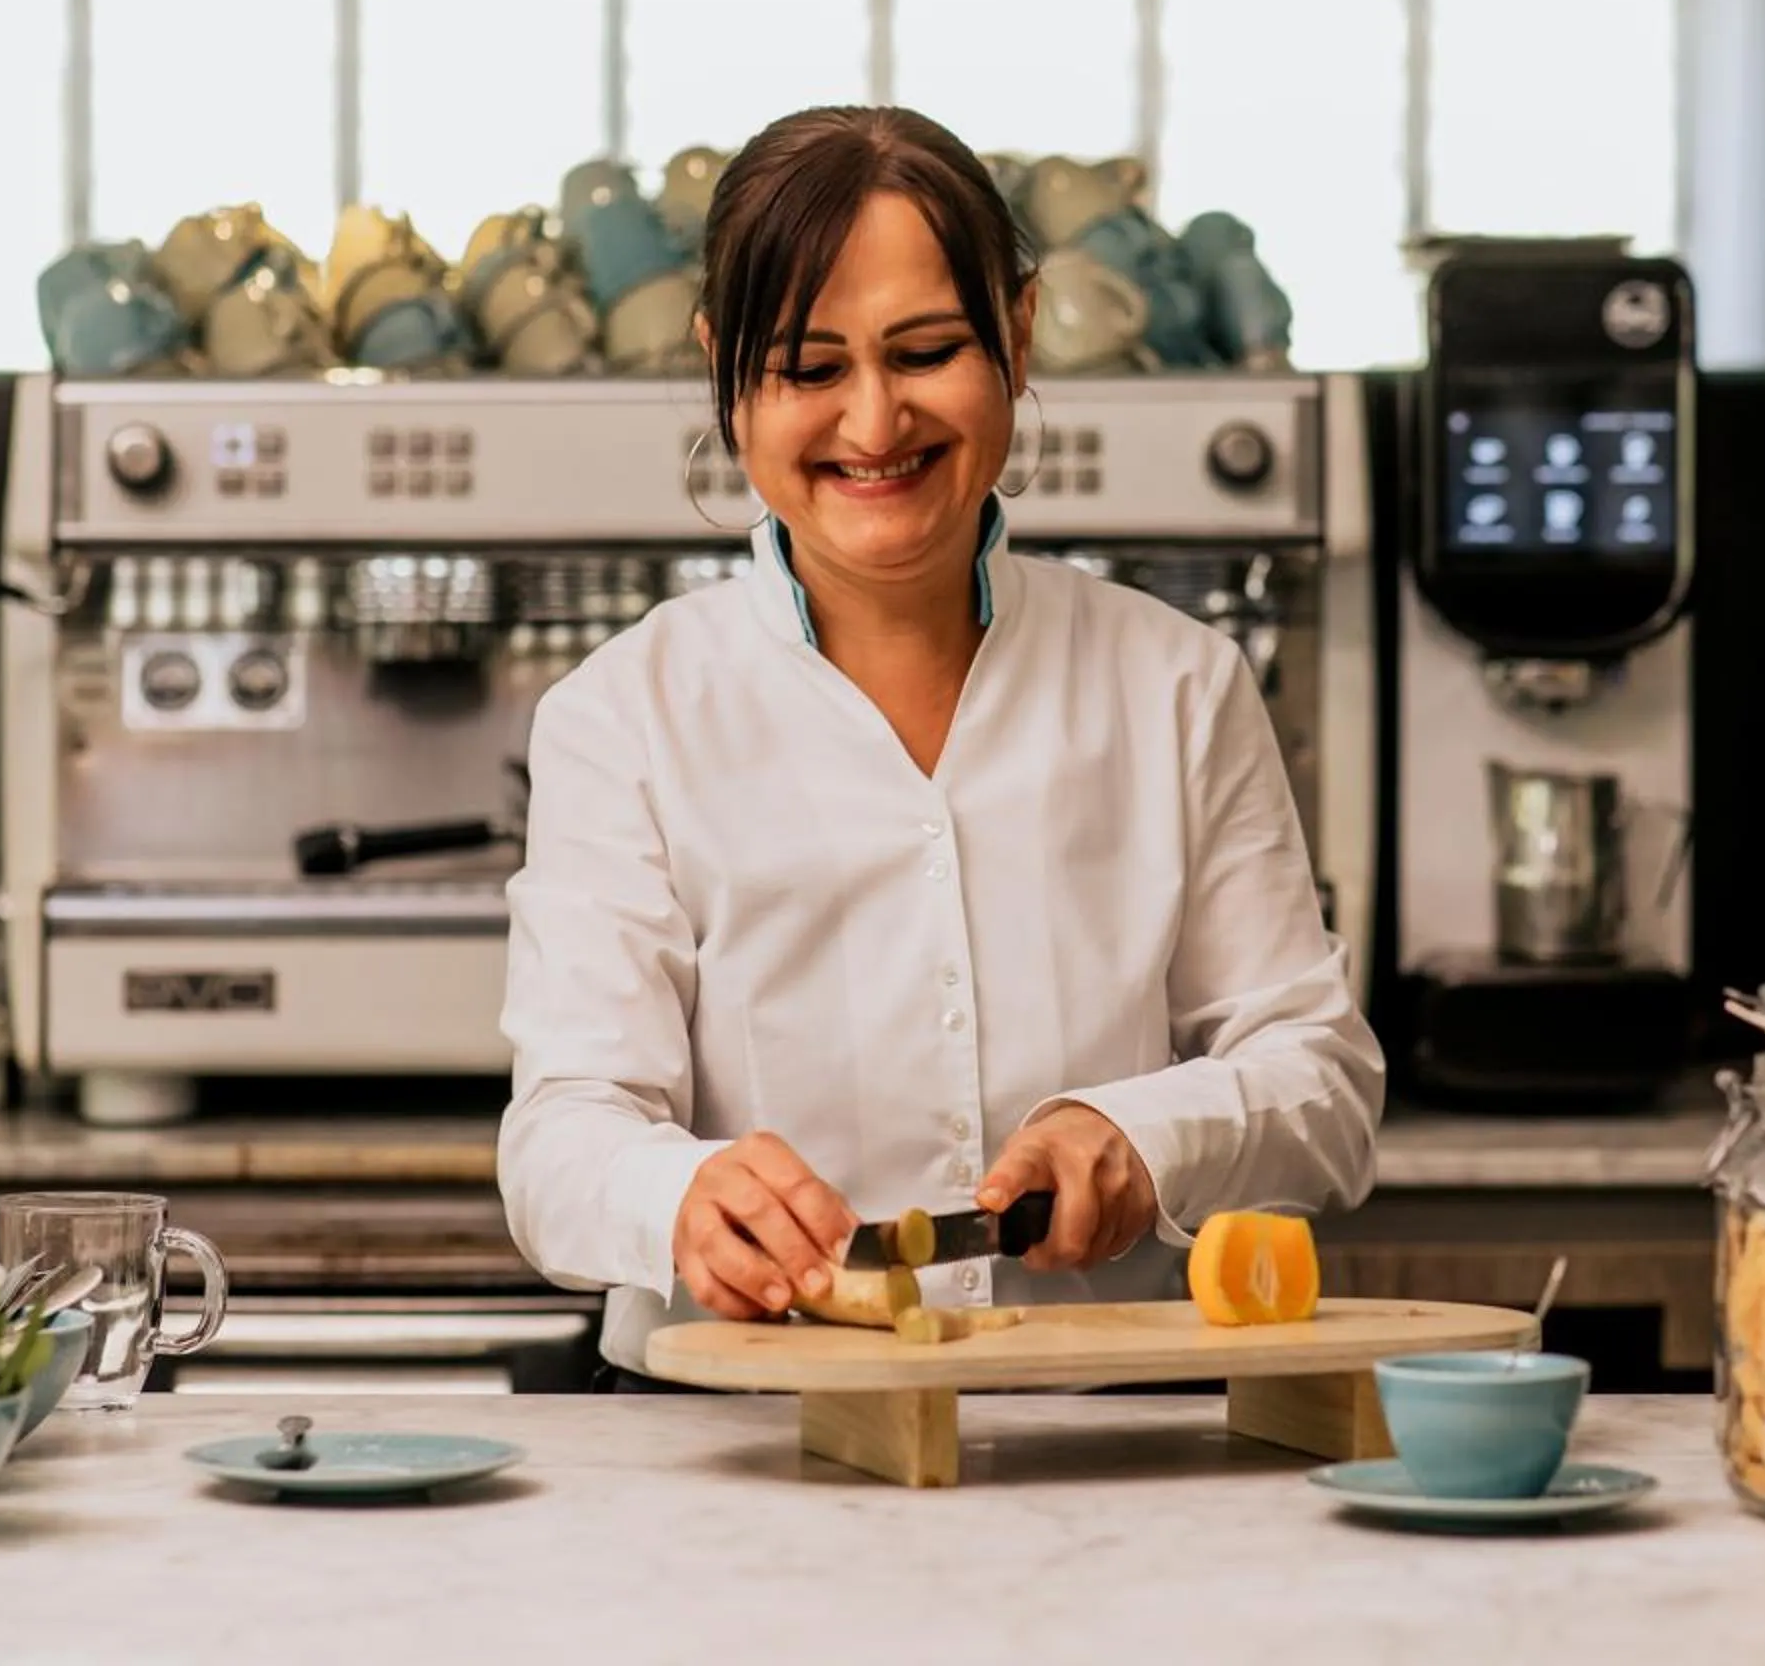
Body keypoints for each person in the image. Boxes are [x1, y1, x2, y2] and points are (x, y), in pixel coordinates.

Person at [496, 105, 1384, 1381]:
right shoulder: (621, 716)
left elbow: (1324, 1087)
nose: (873, 421)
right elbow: (561, 1138)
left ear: (1016, 337)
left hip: (1107, 1453)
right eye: (809, 367)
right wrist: (677, 1194)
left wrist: (1145, 1135)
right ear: (723, 372)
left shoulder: (1178, 683)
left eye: (926, 351)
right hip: (736, 1464)